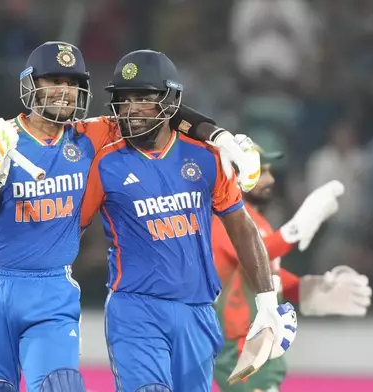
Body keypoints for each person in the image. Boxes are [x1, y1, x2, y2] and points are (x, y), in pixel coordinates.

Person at [0, 41, 262, 392]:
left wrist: (218, 135)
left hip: (52, 287)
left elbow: (158, 109)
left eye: (71, 83)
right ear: (31, 85)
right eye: (53, 80)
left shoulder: (94, 136)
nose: (63, 92)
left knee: (61, 385)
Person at [79, 49, 297, 392]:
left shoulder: (207, 156)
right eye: (123, 100)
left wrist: (267, 300)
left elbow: (241, 227)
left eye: (143, 98)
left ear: (170, 101)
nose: (131, 109)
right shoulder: (103, 152)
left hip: (197, 311)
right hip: (135, 309)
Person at [212, 145, 372, 392]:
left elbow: (265, 274)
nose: (269, 179)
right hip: (241, 346)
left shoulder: (257, 220)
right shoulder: (222, 219)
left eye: (269, 171)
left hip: (262, 342)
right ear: (235, 174)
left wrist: (307, 290)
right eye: (259, 171)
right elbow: (254, 256)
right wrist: (297, 227)